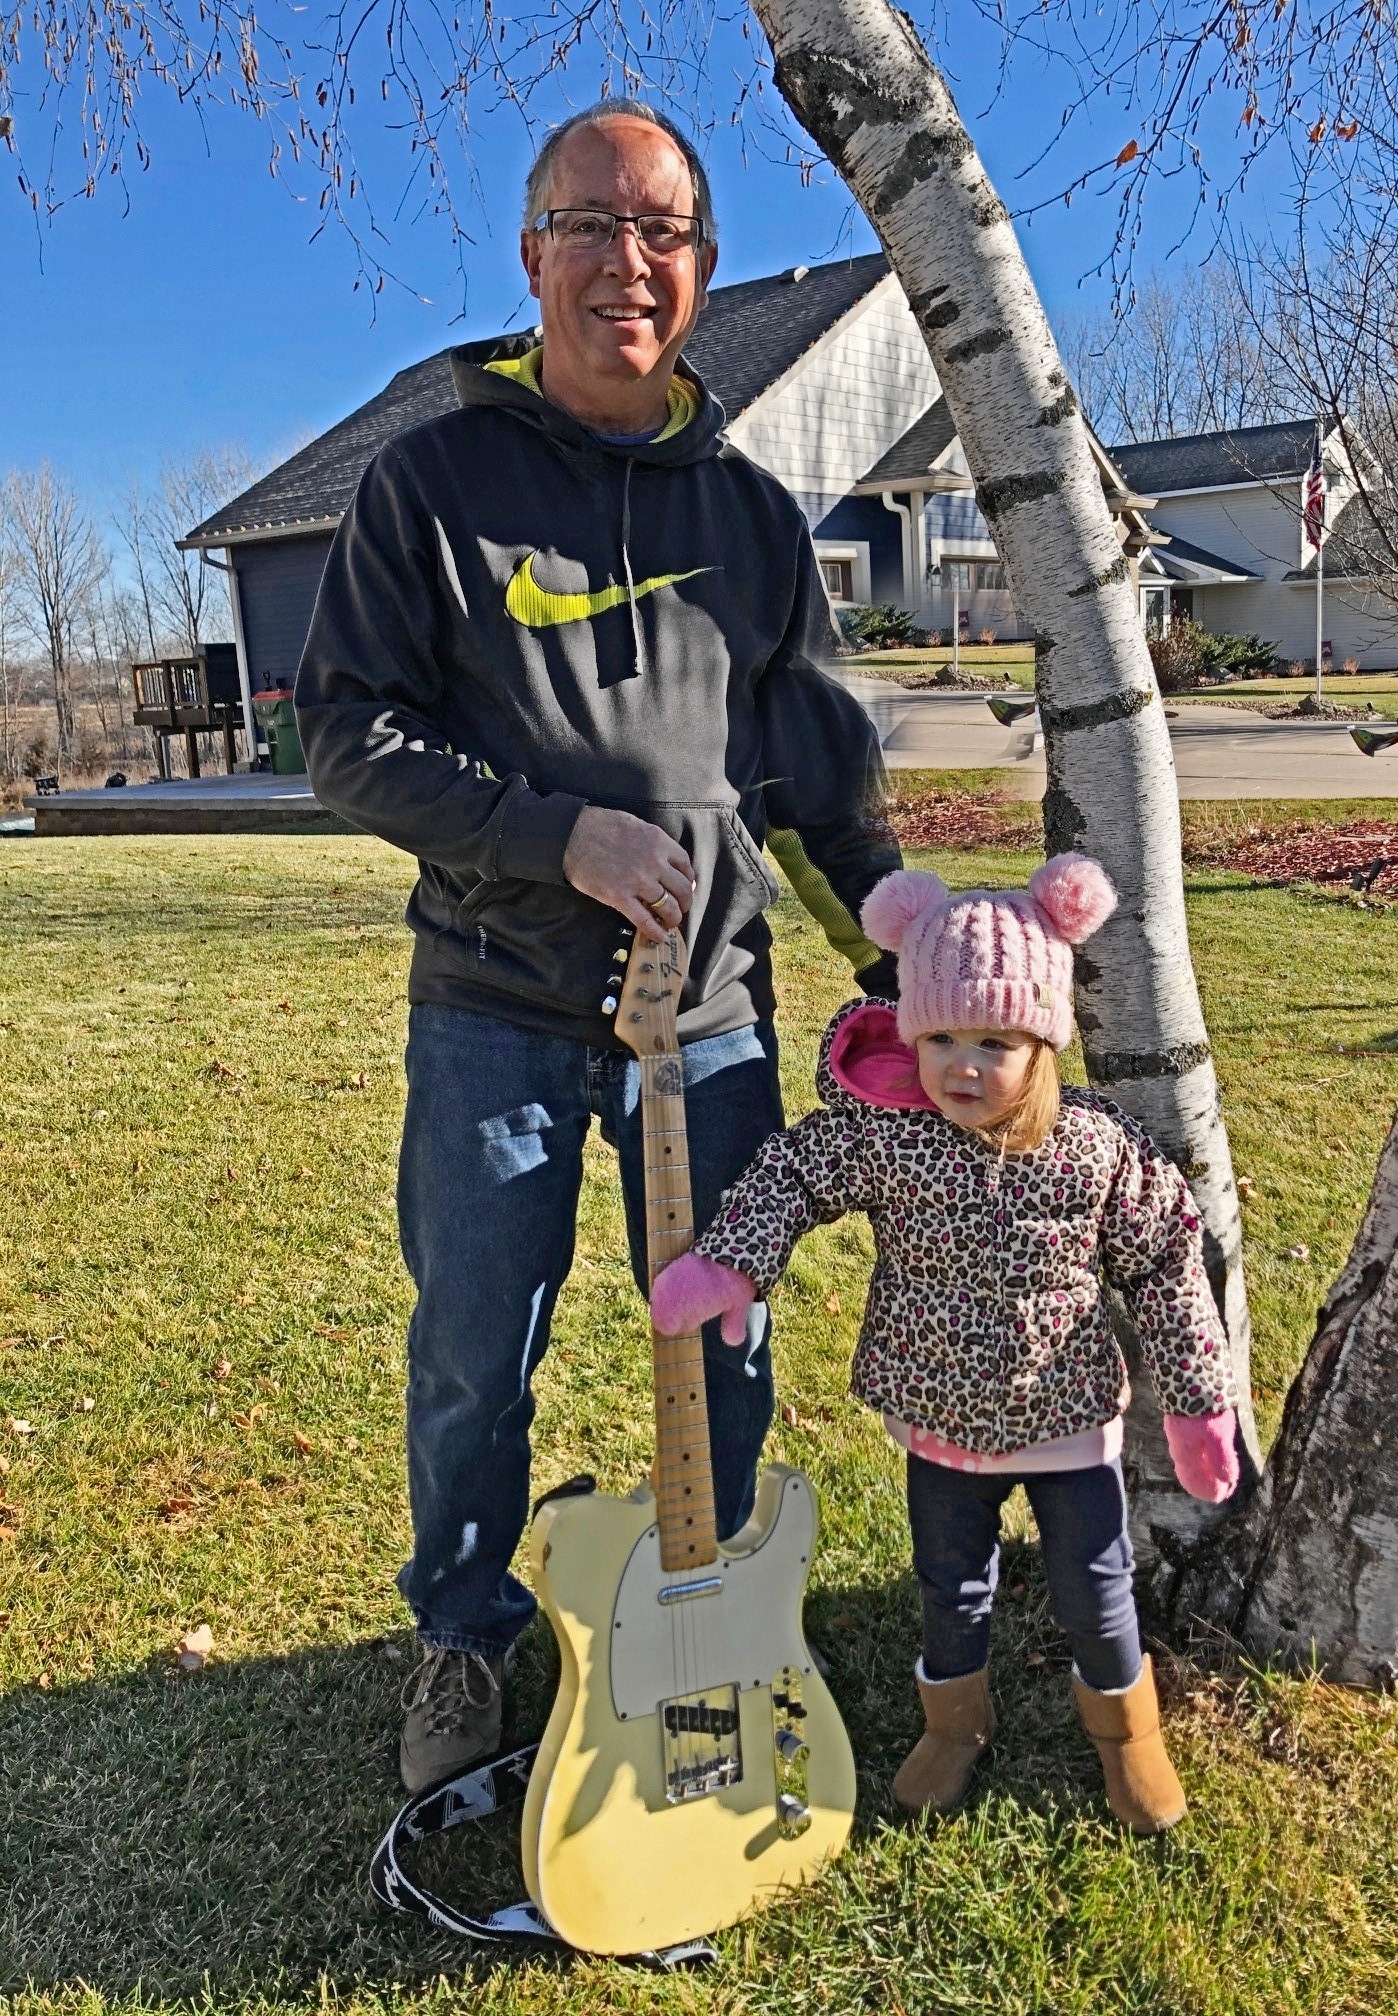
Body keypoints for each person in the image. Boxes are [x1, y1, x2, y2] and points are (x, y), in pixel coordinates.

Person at [295, 100, 901, 1791]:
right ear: (530, 256)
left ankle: (710, 1612)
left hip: (704, 1024)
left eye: (661, 232)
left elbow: (826, 793)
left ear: (699, 269)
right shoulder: (429, 485)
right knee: (472, 1354)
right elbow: (345, 731)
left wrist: (901, 959)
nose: (625, 264)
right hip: (494, 1011)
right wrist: (555, 835)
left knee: (724, 1338)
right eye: (590, 225)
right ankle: (461, 1635)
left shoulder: (753, 520)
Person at [651, 855, 1240, 1834]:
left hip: (1068, 1426)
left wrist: (1196, 1401)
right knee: (951, 1584)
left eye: (996, 1040)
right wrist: (733, 1263)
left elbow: (1168, 1264)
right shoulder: (891, 1137)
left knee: (1095, 1590)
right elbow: (795, 1174)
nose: (963, 1064)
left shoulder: (1097, 1149)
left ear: (1044, 1042)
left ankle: (1128, 1738)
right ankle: (954, 1726)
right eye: (943, 1037)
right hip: (940, 1425)